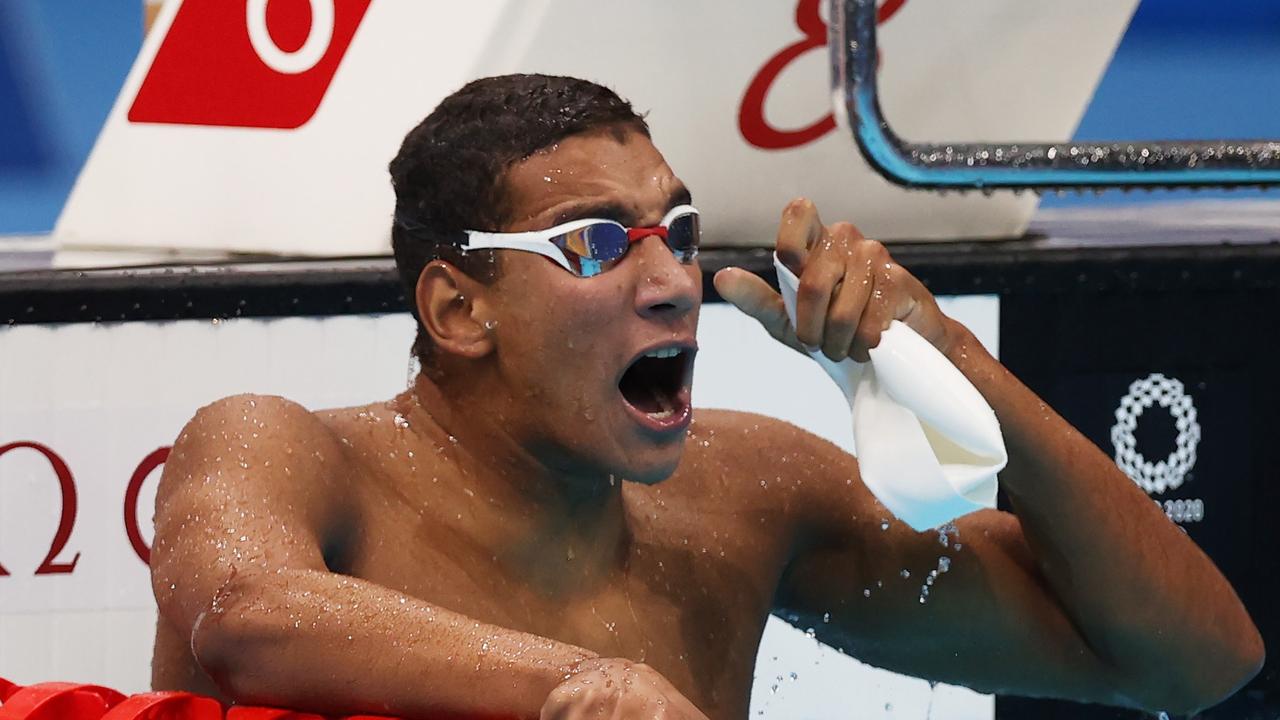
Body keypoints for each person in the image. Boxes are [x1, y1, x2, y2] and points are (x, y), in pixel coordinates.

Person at [148, 74, 1263, 720]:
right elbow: (243, 617)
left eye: (676, 232)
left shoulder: (744, 499)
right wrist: (586, 685)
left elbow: (1190, 665)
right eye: (596, 244)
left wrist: (951, 357)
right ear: (457, 310)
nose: (674, 281)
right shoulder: (286, 453)